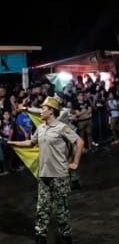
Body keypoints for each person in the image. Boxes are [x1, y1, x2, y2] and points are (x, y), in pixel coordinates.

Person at [7, 97, 84, 244]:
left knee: (61, 209)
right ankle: (40, 235)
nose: (40, 111)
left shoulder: (61, 127)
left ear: (51, 111)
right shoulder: (41, 128)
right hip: (43, 175)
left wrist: (75, 162)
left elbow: (79, 141)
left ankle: (66, 235)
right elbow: (30, 143)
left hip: (59, 175)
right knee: (42, 208)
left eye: (43, 109)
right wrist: (12, 143)